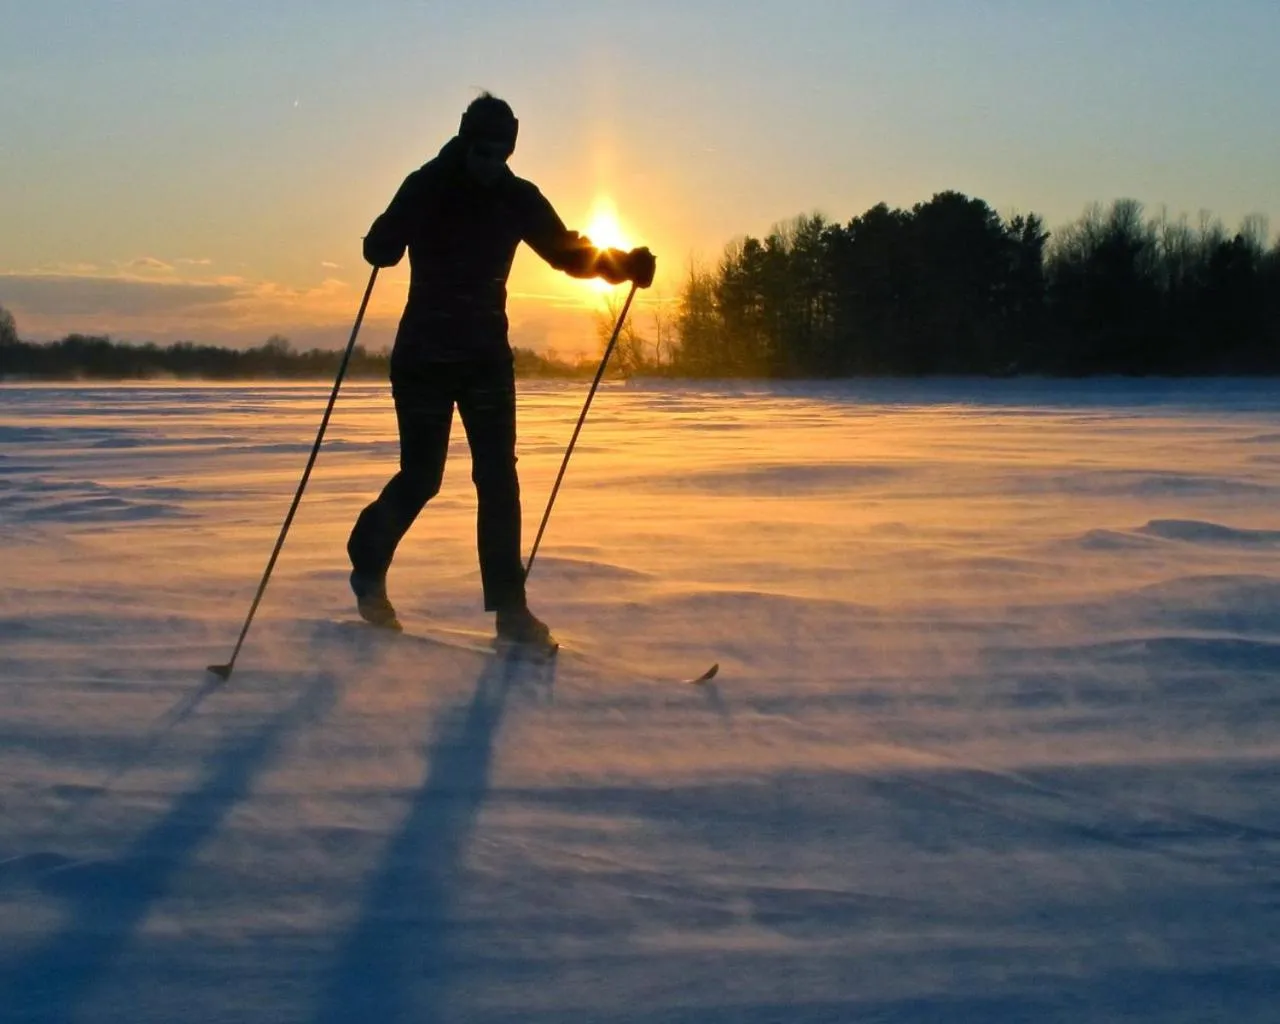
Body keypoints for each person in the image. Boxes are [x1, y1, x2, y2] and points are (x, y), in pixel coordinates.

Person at [347, 92, 656, 648]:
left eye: (500, 152)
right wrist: (390, 234)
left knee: (498, 479)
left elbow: (567, 252)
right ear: (466, 141)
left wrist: (622, 265)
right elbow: (379, 248)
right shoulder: (428, 184)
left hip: (487, 358)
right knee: (422, 476)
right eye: (482, 150)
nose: (491, 162)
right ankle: (367, 563)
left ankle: (511, 612)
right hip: (423, 358)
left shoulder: (517, 197)